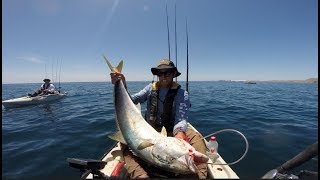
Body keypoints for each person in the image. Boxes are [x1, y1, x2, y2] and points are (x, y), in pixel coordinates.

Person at [110, 59, 208, 179]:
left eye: (167, 73)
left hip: (172, 131)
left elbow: (181, 117)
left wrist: (179, 133)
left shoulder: (182, 94)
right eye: (160, 73)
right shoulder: (150, 89)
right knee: (125, 140)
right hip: (149, 130)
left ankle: (201, 173)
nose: (163, 77)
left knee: (195, 136)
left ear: (173, 74)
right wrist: (121, 84)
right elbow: (130, 101)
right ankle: (139, 174)